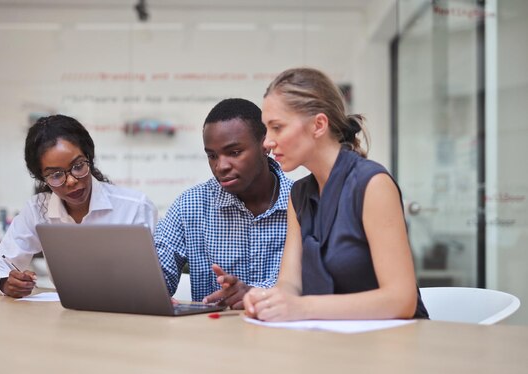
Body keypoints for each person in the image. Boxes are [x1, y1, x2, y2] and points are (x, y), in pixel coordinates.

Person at [243, 68, 429, 321]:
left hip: (394, 347)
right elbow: (290, 284)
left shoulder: (373, 184)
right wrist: (270, 299)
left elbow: (401, 300)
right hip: (331, 344)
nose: (267, 142)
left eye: (277, 127)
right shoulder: (297, 194)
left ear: (319, 125)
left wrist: (302, 308)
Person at [0, 114, 157, 297]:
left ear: (90, 157)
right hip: (67, 316)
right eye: (55, 175)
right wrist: (6, 282)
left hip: (126, 314)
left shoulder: (135, 207)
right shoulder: (39, 209)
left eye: (78, 166)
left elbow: (152, 282)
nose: (71, 181)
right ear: (42, 179)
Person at [154, 98, 294, 309]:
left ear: (265, 145)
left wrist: (255, 294)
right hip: (212, 337)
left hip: (285, 335)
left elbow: (312, 284)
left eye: (234, 152)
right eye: (212, 156)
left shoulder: (303, 202)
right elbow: (158, 274)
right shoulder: (192, 204)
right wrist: (150, 289)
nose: (221, 166)